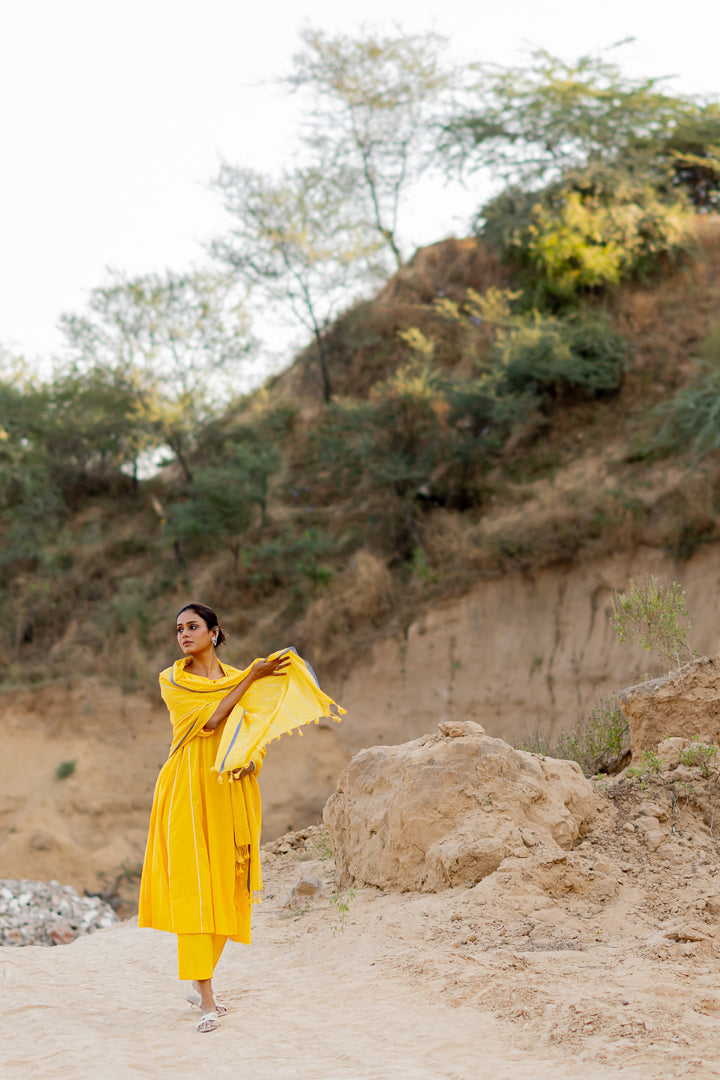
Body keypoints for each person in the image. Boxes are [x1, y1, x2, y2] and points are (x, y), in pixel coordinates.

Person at [138, 602, 291, 1033]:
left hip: (229, 788)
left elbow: (254, 732)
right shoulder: (173, 680)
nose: (184, 635)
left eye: (192, 627)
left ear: (214, 632)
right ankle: (207, 997)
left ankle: (199, 974)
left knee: (229, 884)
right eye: (179, 629)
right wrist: (251, 678)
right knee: (195, 890)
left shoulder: (240, 678)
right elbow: (211, 721)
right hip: (186, 788)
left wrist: (252, 762)